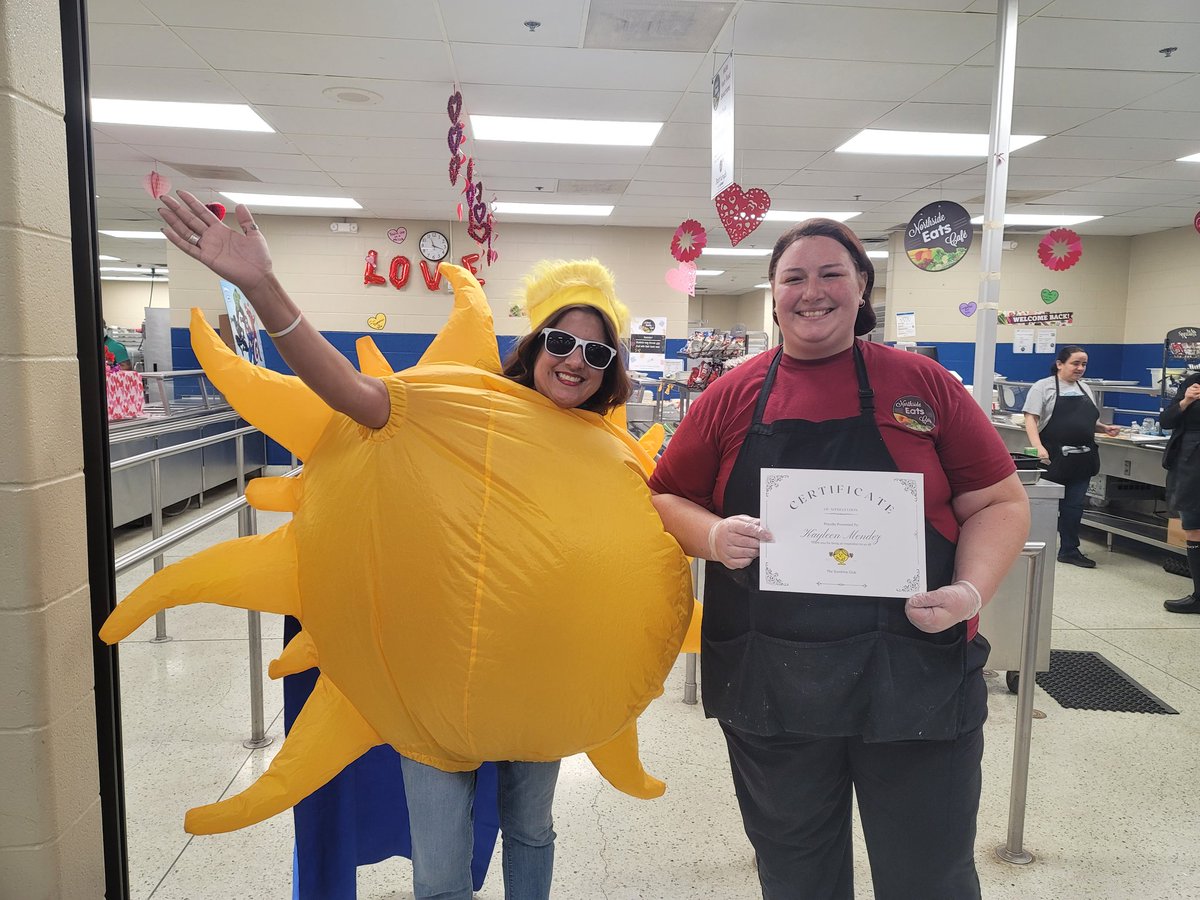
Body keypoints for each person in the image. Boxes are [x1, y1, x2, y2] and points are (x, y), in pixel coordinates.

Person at [156, 190, 635, 900]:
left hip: (543, 685)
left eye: (595, 350)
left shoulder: (609, 451)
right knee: (440, 870)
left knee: (531, 831)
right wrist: (261, 287)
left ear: (609, 367)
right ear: (536, 347)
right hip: (433, 685)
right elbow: (352, 394)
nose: (575, 360)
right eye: (560, 341)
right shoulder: (468, 403)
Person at [648, 218, 1030, 899]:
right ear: (773, 294)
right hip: (773, 680)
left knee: (929, 872)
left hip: (916, 668)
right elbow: (666, 496)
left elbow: (998, 501)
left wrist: (970, 592)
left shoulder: (924, 385)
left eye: (831, 274)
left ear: (863, 287)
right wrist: (709, 536)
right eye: (793, 277)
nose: (812, 291)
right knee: (796, 873)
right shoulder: (731, 394)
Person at [1022, 346, 1121, 568]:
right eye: (1075, 363)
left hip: (1083, 458)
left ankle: (1069, 550)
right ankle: (1033, 547)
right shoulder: (1043, 387)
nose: (1080, 368)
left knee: (1074, 507)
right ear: (1060, 364)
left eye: (1084, 364)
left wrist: (1104, 428)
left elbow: (1086, 422)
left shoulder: (1085, 388)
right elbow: (1031, 418)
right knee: (1043, 504)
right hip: (1053, 456)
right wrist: (1037, 446)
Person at [1162, 371, 1200, 613]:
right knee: (1193, 523)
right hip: (1191, 462)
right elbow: (1166, 420)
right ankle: (1199, 596)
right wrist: (1186, 401)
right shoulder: (1193, 382)